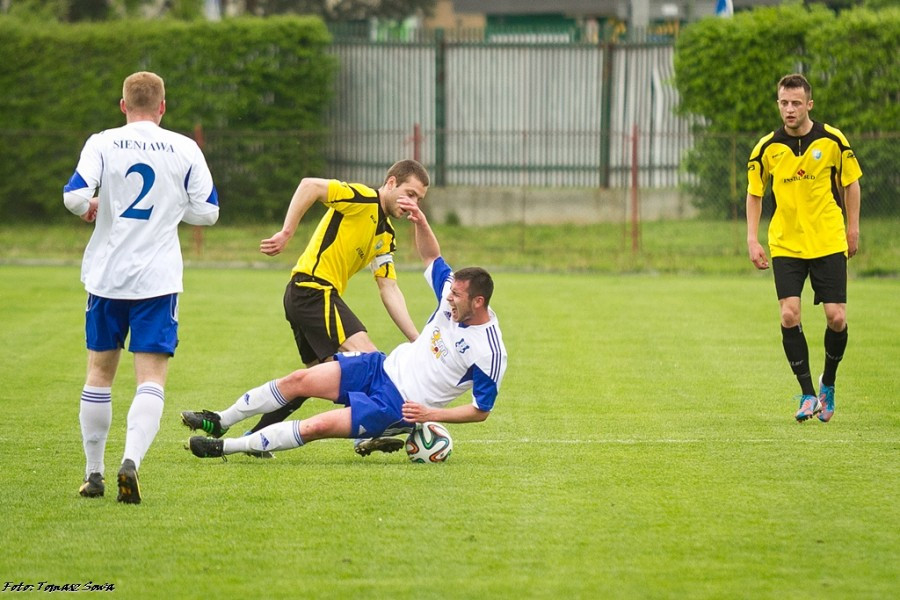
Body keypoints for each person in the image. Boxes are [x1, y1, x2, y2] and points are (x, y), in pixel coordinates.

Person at [182, 199, 507, 460]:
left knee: (317, 426)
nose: (448, 298)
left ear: (478, 302)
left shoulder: (489, 351)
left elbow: (481, 411)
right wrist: (421, 222)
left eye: (456, 296)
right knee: (298, 380)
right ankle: (223, 420)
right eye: (449, 293)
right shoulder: (452, 295)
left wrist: (429, 413)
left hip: (397, 405)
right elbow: (433, 257)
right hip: (380, 366)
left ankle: (224, 449)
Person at [63, 71, 219, 503]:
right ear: (163, 107)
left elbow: (74, 198)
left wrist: (93, 204)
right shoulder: (184, 147)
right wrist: (173, 208)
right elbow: (209, 212)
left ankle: (93, 473)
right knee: (151, 378)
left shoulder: (102, 141)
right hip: (157, 278)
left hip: (108, 276)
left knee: (99, 373)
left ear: (123, 105)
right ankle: (130, 460)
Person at [223, 160, 429, 458]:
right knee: (372, 363)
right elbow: (310, 185)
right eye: (410, 193)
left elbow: (389, 288)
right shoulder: (362, 198)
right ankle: (369, 433)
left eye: (419, 199)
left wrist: (417, 340)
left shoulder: (386, 236)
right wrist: (286, 233)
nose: (413, 204)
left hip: (307, 296)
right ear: (392, 183)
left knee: (315, 380)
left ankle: (254, 438)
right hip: (313, 290)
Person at [746, 73, 861, 423]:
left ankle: (828, 384)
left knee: (836, 318)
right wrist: (752, 238)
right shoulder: (767, 147)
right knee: (788, 314)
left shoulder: (831, 140)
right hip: (786, 243)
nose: (790, 109)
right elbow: (755, 193)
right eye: (784, 102)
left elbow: (851, 184)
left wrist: (853, 227)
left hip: (827, 238)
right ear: (778, 104)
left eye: (797, 102)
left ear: (809, 104)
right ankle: (808, 393)